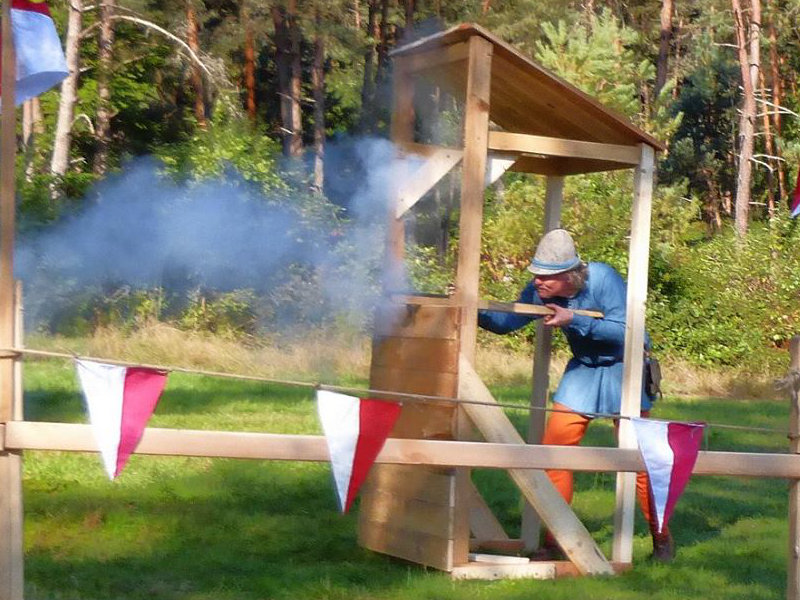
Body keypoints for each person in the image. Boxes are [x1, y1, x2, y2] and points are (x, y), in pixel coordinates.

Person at [477, 228, 674, 563]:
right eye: (536, 276)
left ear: (570, 276)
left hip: (624, 367)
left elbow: (625, 331)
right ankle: (558, 540)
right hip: (585, 369)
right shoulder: (541, 290)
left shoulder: (604, 278)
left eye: (545, 277)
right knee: (554, 450)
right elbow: (508, 320)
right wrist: (473, 306)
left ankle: (661, 538)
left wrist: (575, 320)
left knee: (643, 461)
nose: (538, 282)